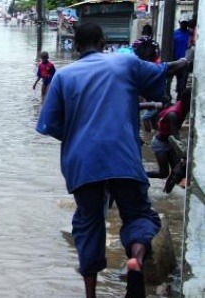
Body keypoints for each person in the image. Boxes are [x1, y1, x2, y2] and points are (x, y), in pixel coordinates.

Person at [36, 22, 190, 298]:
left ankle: (91, 293)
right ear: (104, 41)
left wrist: (78, 135)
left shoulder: (63, 77)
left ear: (77, 45)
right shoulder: (125, 64)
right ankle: (137, 259)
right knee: (139, 215)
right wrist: (187, 59)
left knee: (88, 224)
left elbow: (49, 125)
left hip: (83, 164)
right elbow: (165, 70)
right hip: (123, 157)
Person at [147, 88, 191, 182]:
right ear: (188, 101)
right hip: (160, 144)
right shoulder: (173, 114)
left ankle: (166, 192)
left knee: (177, 172)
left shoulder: (183, 107)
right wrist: (185, 155)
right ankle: (141, 175)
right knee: (164, 173)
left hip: (170, 143)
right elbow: (175, 137)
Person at [166, 17, 192, 99]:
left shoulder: (190, 34)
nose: (184, 25)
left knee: (182, 85)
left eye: (185, 23)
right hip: (174, 62)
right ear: (179, 23)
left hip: (184, 63)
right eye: (182, 23)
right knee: (168, 82)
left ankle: (179, 101)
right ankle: (167, 98)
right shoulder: (174, 33)